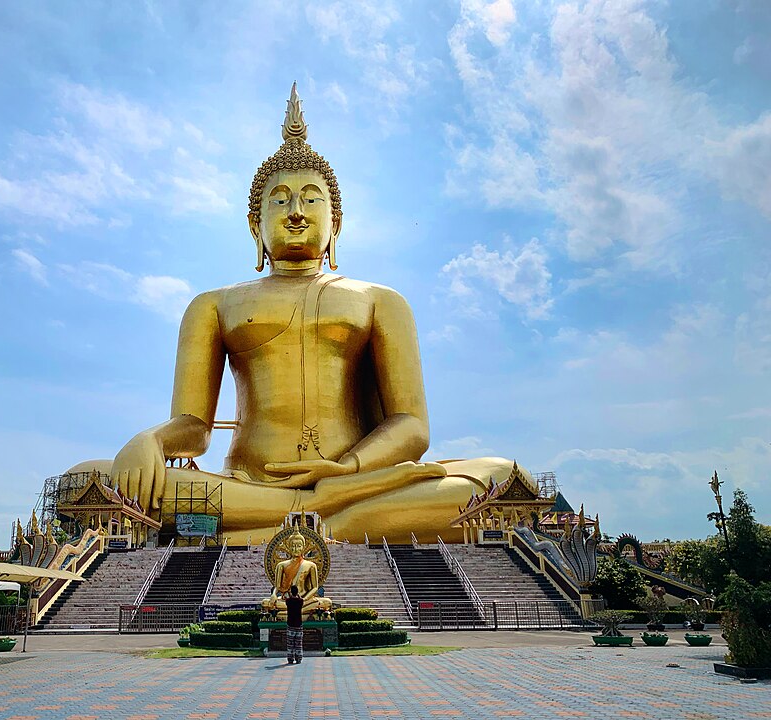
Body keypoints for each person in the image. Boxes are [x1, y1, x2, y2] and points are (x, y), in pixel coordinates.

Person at [68, 84, 531, 544]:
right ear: (255, 225)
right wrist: (151, 440)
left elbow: (411, 426)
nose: (295, 212)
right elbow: (195, 429)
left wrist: (346, 468)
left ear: (336, 223)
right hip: (248, 484)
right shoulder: (213, 304)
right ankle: (322, 515)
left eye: (311, 199)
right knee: (86, 479)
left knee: (499, 474)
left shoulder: (380, 300)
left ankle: (295, 521)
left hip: (357, 479)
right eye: (279, 199)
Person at [285, 585, 304, 665]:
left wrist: (290, 594)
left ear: (291, 592)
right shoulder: (300, 601)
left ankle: (290, 658)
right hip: (298, 624)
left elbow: (287, 599)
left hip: (290, 624)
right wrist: (298, 595)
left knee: (290, 643)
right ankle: (298, 658)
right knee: (298, 643)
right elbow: (301, 599)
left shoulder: (288, 601)